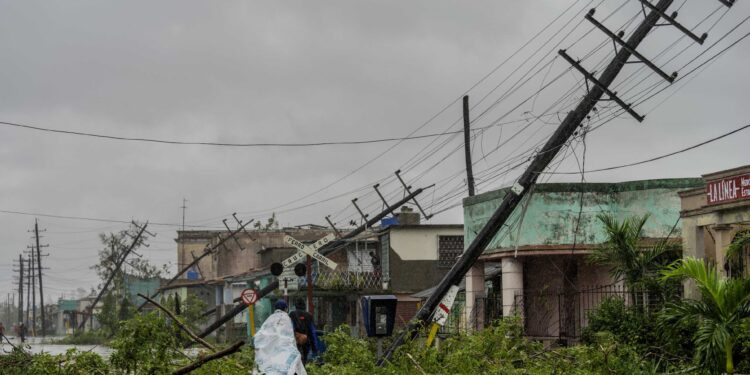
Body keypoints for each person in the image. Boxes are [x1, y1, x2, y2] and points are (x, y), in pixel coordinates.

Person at [253, 300, 307, 375]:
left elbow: (263, 333)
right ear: (286, 308)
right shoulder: (287, 318)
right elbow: (290, 333)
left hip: (271, 348)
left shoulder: (270, 318)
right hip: (284, 348)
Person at [289, 299, 318, 364]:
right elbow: (312, 332)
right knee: (304, 360)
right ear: (304, 306)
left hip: (294, 341)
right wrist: (314, 348)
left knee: (294, 361)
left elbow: (290, 328)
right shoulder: (309, 315)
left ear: (296, 306)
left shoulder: (292, 314)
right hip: (306, 341)